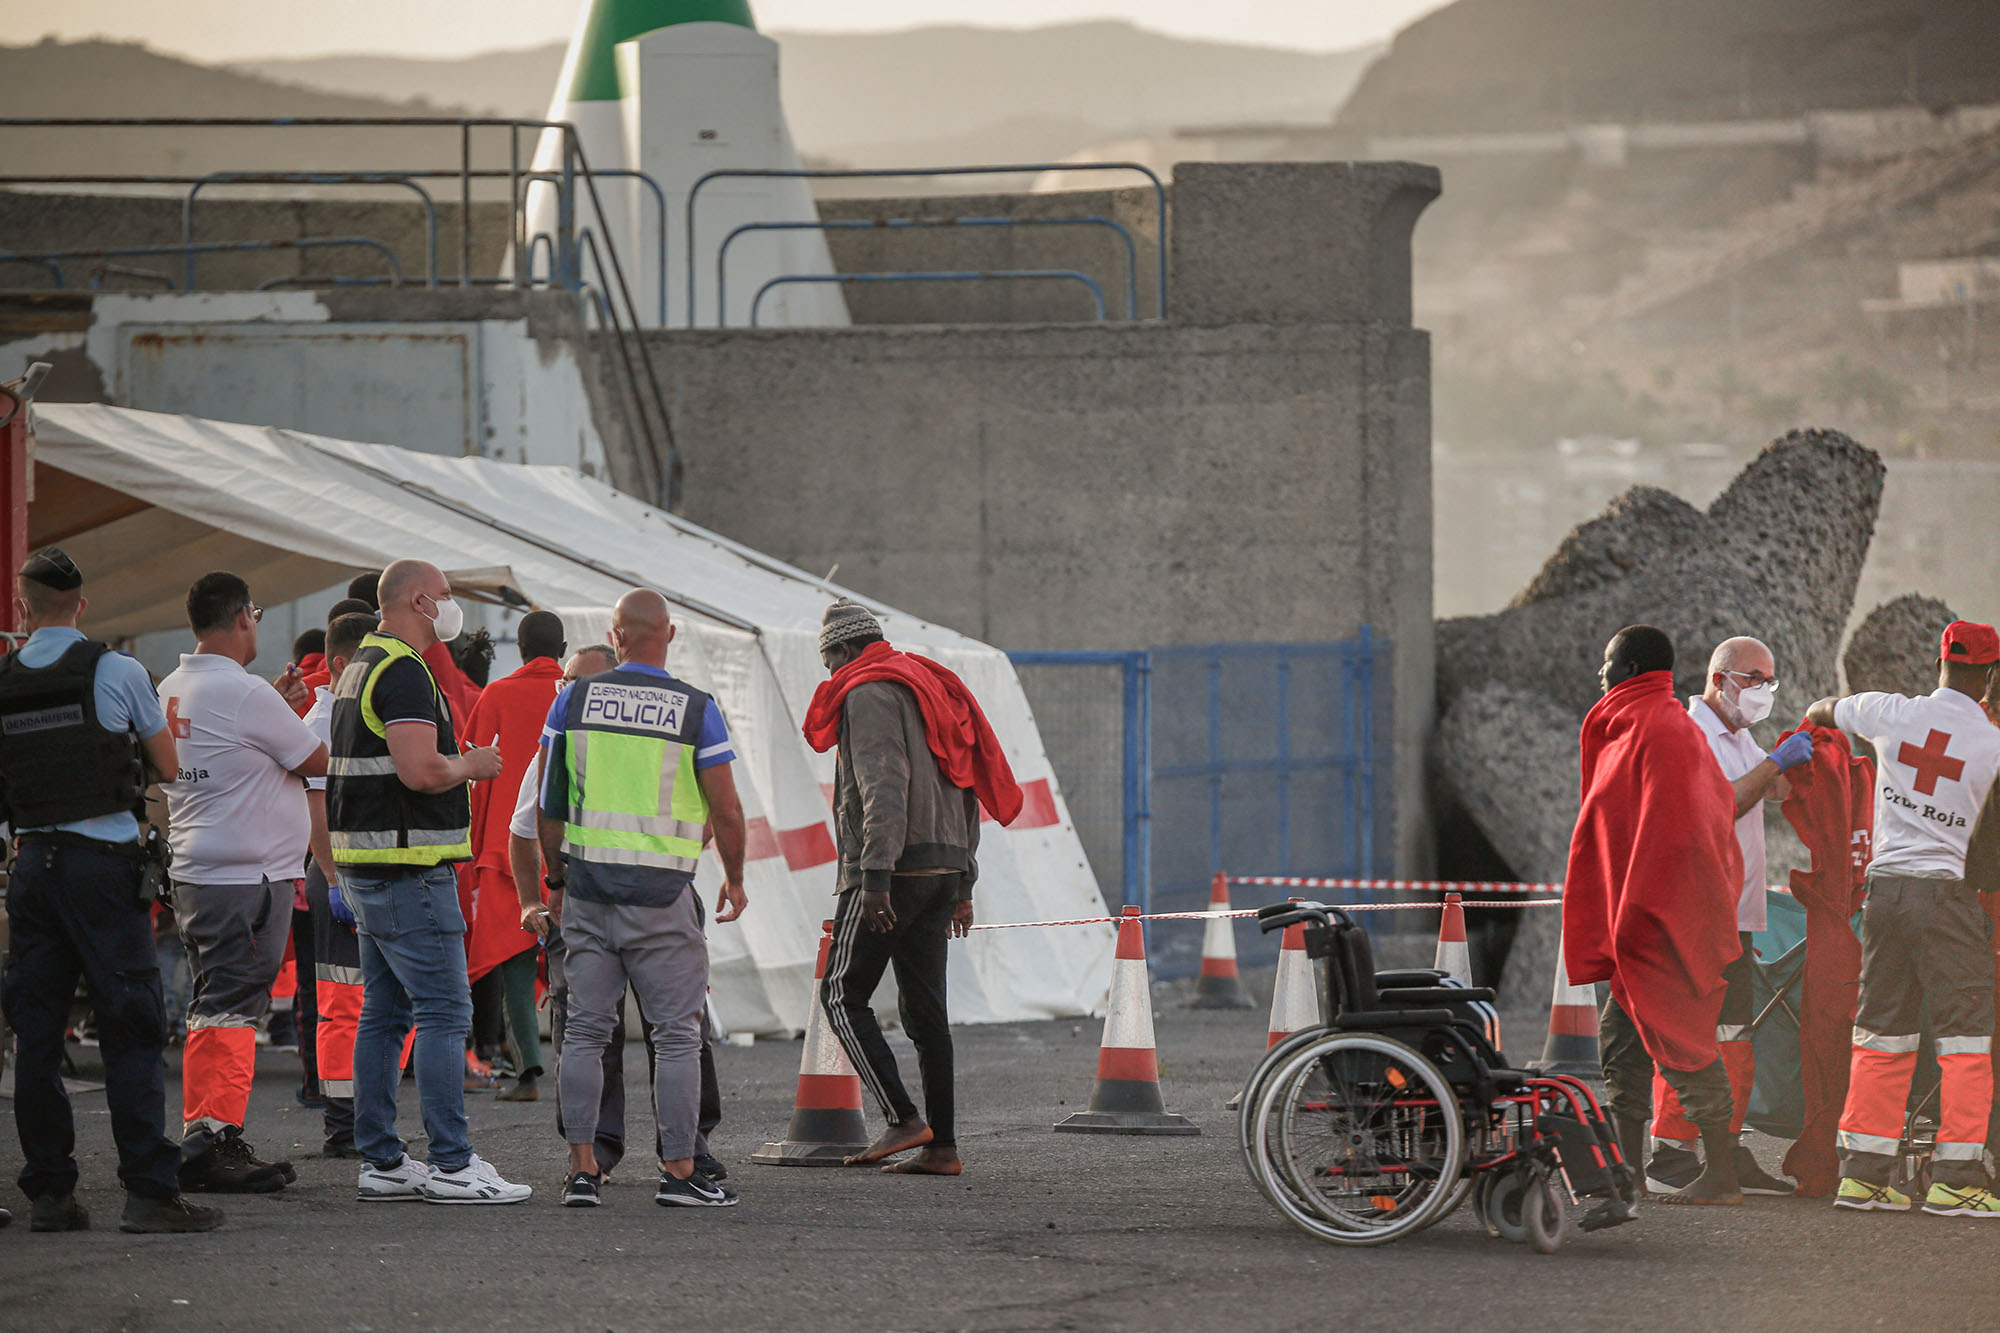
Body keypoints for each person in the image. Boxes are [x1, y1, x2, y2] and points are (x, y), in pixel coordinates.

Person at [0, 546, 221, 1233]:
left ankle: (50, 1195)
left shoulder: (2, 680)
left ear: (22, 608)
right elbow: (168, 766)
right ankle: (149, 1193)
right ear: (82, 604)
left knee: (36, 1034)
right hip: (103, 868)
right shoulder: (117, 670)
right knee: (129, 1026)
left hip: (32, 867)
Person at [535, 589, 747, 1209]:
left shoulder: (572, 699)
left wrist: (556, 881)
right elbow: (726, 809)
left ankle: (583, 1171)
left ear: (616, 635)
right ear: (671, 634)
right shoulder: (695, 709)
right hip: (662, 898)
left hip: (589, 892)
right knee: (677, 1036)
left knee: (585, 1035)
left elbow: (550, 806)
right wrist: (735, 878)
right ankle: (680, 1171)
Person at [328, 558, 529, 1205]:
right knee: (445, 1011)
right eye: (445, 596)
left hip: (370, 870)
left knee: (384, 1016)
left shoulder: (362, 662)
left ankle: (383, 1159)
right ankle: (452, 1162)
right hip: (409, 872)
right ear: (418, 599)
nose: (451, 606)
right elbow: (420, 771)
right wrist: (472, 762)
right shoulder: (406, 672)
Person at [804, 598, 1024, 1177]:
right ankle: (942, 1148)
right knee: (927, 1015)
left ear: (846, 651)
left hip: (892, 872)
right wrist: (965, 881)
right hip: (943, 869)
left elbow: (883, 784)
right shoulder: (928, 685)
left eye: (829, 661)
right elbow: (967, 780)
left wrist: (873, 878)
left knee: (841, 996)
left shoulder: (869, 690)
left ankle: (903, 1118)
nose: (830, 674)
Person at [1808, 619, 2000, 1217]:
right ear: (1990, 675)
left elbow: (1820, 712)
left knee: (1882, 1035)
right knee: (1966, 1039)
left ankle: (1863, 1178)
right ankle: (1956, 1178)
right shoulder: (1993, 745)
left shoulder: (1891, 713)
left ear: (1940, 661)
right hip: (1946, 898)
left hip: (1884, 896)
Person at [157, 572, 329, 1194]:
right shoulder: (245, 693)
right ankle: (211, 1139)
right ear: (241, 619)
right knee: (231, 1007)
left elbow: (236, 753)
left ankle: (209, 1132)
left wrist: (277, 709)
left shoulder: (173, 687)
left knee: (215, 1001)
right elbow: (316, 760)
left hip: (199, 867)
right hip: (246, 874)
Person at [1563, 625, 1746, 1206]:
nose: (1601, 673)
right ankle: (1627, 1171)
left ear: (1633, 665)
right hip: (1644, 918)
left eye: (1608, 661)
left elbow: (1684, 831)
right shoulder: (1648, 725)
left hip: (1658, 918)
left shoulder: (1657, 729)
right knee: (1622, 1042)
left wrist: (1644, 909)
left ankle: (1721, 1175)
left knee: (1685, 1046)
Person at [1646, 636, 1816, 1196]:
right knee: (1691, 1034)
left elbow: (1772, 789)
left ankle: (1728, 1146)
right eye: (1753, 679)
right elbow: (1722, 803)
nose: (1763, 691)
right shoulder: (1694, 735)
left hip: (1735, 914)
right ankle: (1671, 1154)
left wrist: (1807, 750)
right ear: (1719, 678)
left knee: (1735, 1035)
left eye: (1770, 681)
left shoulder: (1741, 738)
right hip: (1697, 912)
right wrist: (1775, 762)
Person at [459, 610, 567, 1102]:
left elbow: (473, 780)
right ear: (562, 648)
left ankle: (529, 1075)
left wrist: (475, 847)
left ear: (518, 649)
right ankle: (584, 1070)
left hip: (509, 853)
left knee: (516, 962)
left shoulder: (497, 695)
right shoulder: (573, 695)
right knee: (588, 963)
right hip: (571, 849)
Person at [302, 610, 377, 1156]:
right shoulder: (321, 725)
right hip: (339, 872)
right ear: (340, 663)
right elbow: (317, 810)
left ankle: (363, 1117)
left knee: (368, 998)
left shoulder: (350, 714)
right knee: (343, 1002)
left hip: (358, 871)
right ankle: (343, 1123)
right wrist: (333, 879)